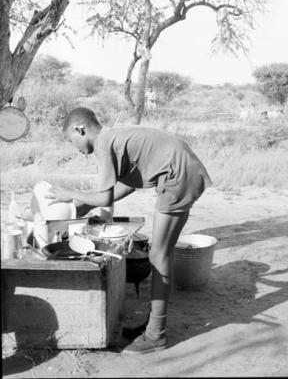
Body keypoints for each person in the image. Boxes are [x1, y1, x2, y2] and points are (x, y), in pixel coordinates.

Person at [47, 107, 212, 354]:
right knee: (160, 254)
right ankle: (153, 325)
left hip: (179, 176)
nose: (77, 149)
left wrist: (69, 195)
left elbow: (104, 199)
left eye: (73, 141)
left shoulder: (104, 145)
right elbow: (126, 186)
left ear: (80, 129)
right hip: (183, 171)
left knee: (158, 255)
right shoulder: (114, 139)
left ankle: (157, 334)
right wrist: (82, 206)